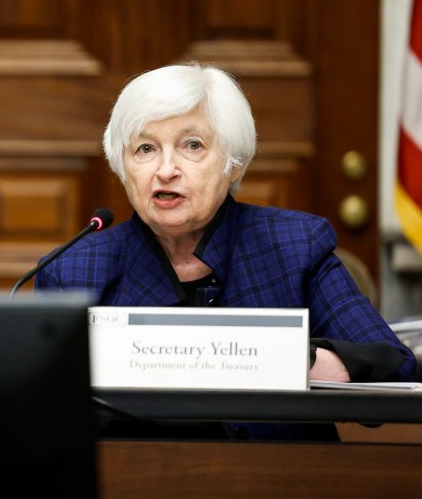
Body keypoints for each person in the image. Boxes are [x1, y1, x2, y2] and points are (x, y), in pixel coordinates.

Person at [36, 63, 416, 439]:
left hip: (277, 471)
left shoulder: (294, 246)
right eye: (146, 148)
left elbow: (394, 367)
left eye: (192, 145)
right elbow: (48, 416)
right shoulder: (74, 271)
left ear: (234, 164)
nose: (166, 170)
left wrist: (289, 359)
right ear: (123, 167)